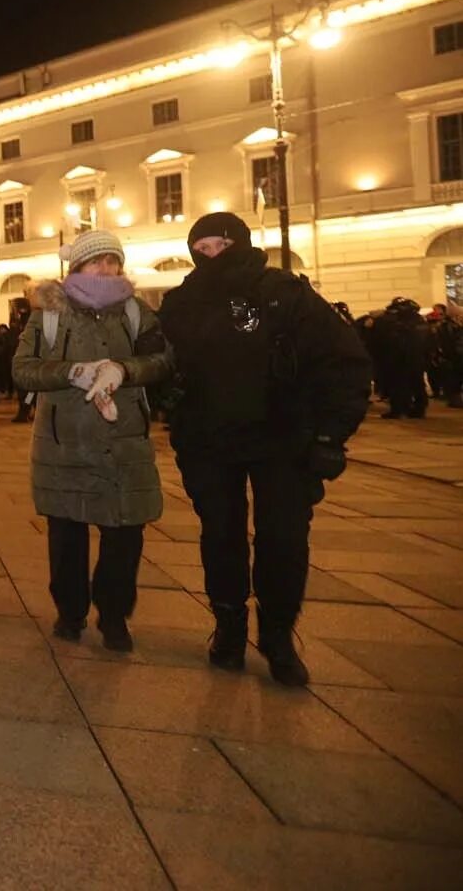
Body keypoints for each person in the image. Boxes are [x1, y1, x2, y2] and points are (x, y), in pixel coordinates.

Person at [157, 212, 370, 687]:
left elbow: (343, 362)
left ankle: (277, 634)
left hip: (282, 440)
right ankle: (229, 626)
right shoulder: (182, 302)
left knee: (284, 538)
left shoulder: (284, 293)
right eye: (202, 248)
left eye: (220, 245)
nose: (211, 255)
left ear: (242, 244)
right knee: (221, 535)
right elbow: (160, 364)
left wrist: (331, 435)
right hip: (209, 442)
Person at [12, 230, 170, 651]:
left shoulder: (136, 311)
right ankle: (70, 610)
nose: (105, 269)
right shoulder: (48, 313)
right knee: (66, 532)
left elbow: (162, 359)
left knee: (125, 532)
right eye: (95, 261)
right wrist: (70, 372)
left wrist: (123, 369)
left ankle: (114, 614)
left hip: (123, 440)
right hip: (65, 440)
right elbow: (23, 369)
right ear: (76, 267)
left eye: (111, 261)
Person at [373, 297, 431, 419]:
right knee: (417, 383)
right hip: (416, 357)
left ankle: (399, 409)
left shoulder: (398, 322)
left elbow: (388, 337)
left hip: (400, 358)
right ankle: (418, 409)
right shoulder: (419, 321)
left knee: (399, 384)